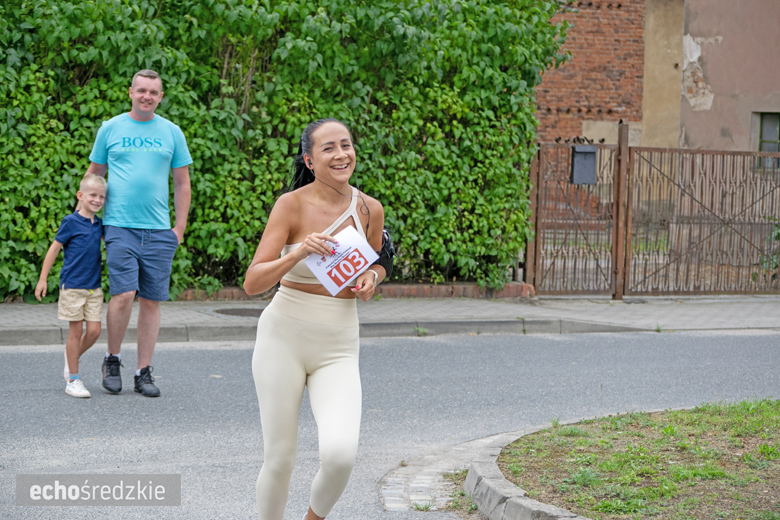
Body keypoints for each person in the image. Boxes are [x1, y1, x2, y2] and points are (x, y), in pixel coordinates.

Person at [243, 119, 387, 520]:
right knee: (280, 459)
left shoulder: (369, 208)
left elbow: (377, 263)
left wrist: (371, 279)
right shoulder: (290, 204)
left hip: (339, 342)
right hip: (282, 336)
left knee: (340, 455)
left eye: (346, 145)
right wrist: (297, 254)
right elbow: (253, 282)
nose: (341, 154)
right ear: (309, 159)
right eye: (329, 148)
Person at [83, 69, 192, 397]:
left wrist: (179, 228)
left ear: (160, 97)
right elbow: (94, 174)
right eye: (141, 90)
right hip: (119, 226)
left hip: (159, 231)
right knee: (124, 295)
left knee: (151, 301)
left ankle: (143, 372)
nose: (147, 96)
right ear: (131, 92)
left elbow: (182, 182)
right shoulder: (110, 128)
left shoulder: (172, 132)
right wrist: (88, 216)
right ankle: (112, 359)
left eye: (153, 92)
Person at [35, 174, 107, 398]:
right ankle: (73, 380)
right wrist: (43, 279)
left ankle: (71, 356)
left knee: (94, 332)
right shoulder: (70, 221)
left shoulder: (100, 225)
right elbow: (54, 249)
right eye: (92, 195)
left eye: (102, 197)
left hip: (94, 288)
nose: (97, 200)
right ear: (81, 195)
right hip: (73, 286)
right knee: (75, 332)